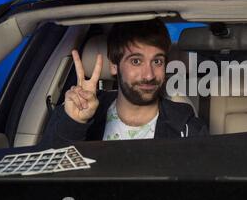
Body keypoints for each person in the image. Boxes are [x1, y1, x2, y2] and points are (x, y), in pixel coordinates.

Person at [40, 19, 208, 147]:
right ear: (114, 65)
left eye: (157, 62)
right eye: (136, 61)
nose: (149, 75)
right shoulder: (74, 111)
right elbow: (45, 179)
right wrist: (74, 124)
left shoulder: (186, 128)